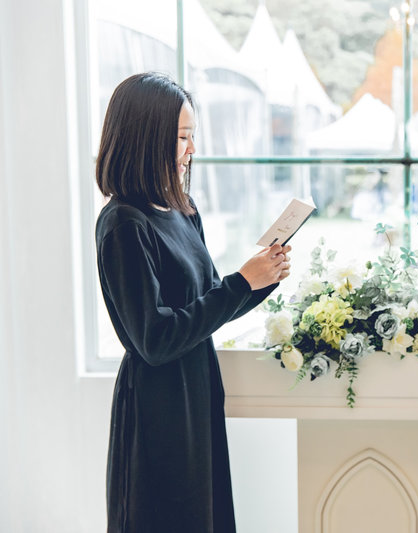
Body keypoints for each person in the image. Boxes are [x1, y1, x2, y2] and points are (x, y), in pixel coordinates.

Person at [95, 72, 291, 533]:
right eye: (183, 137)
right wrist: (242, 283)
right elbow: (156, 339)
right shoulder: (124, 223)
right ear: (145, 137)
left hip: (197, 391)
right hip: (156, 407)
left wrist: (262, 278)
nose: (191, 150)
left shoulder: (184, 210)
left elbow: (203, 309)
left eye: (192, 137)